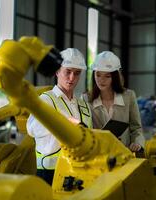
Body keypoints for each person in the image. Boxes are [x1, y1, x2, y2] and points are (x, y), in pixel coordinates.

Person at [26, 48, 92, 185]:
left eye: (77, 73)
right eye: (67, 72)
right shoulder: (45, 101)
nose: (72, 78)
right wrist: (64, 122)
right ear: (57, 71)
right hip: (50, 172)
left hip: (80, 171)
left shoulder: (84, 106)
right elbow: (31, 129)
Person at [87, 51, 145, 152]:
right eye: (98, 75)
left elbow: (136, 128)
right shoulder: (86, 98)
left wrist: (137, 143)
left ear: (115, 77)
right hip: (98, 156)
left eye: (107, 76)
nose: (101, 80)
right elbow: (85, 130)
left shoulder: (129, 96)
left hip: (124, 155)